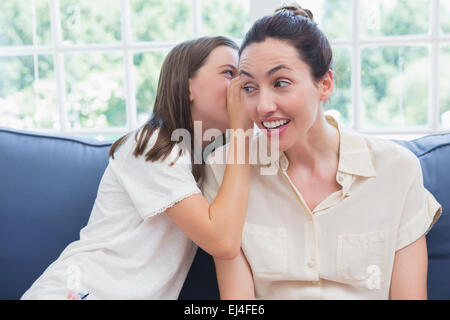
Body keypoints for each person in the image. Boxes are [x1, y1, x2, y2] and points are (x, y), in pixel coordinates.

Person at [202, 5, 443, 300]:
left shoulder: (396, 170)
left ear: (325, 84)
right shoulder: (224, 168)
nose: (263, 106)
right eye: (250, 87)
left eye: (280, 83)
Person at [21, 36, 253, 300]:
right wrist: (241, 134)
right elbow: (222, 240)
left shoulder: (208, 159)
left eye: (244, 77)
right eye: (229, 73)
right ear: (188, 87)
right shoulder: (154, 145)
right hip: (79, 290)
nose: (241, 85)